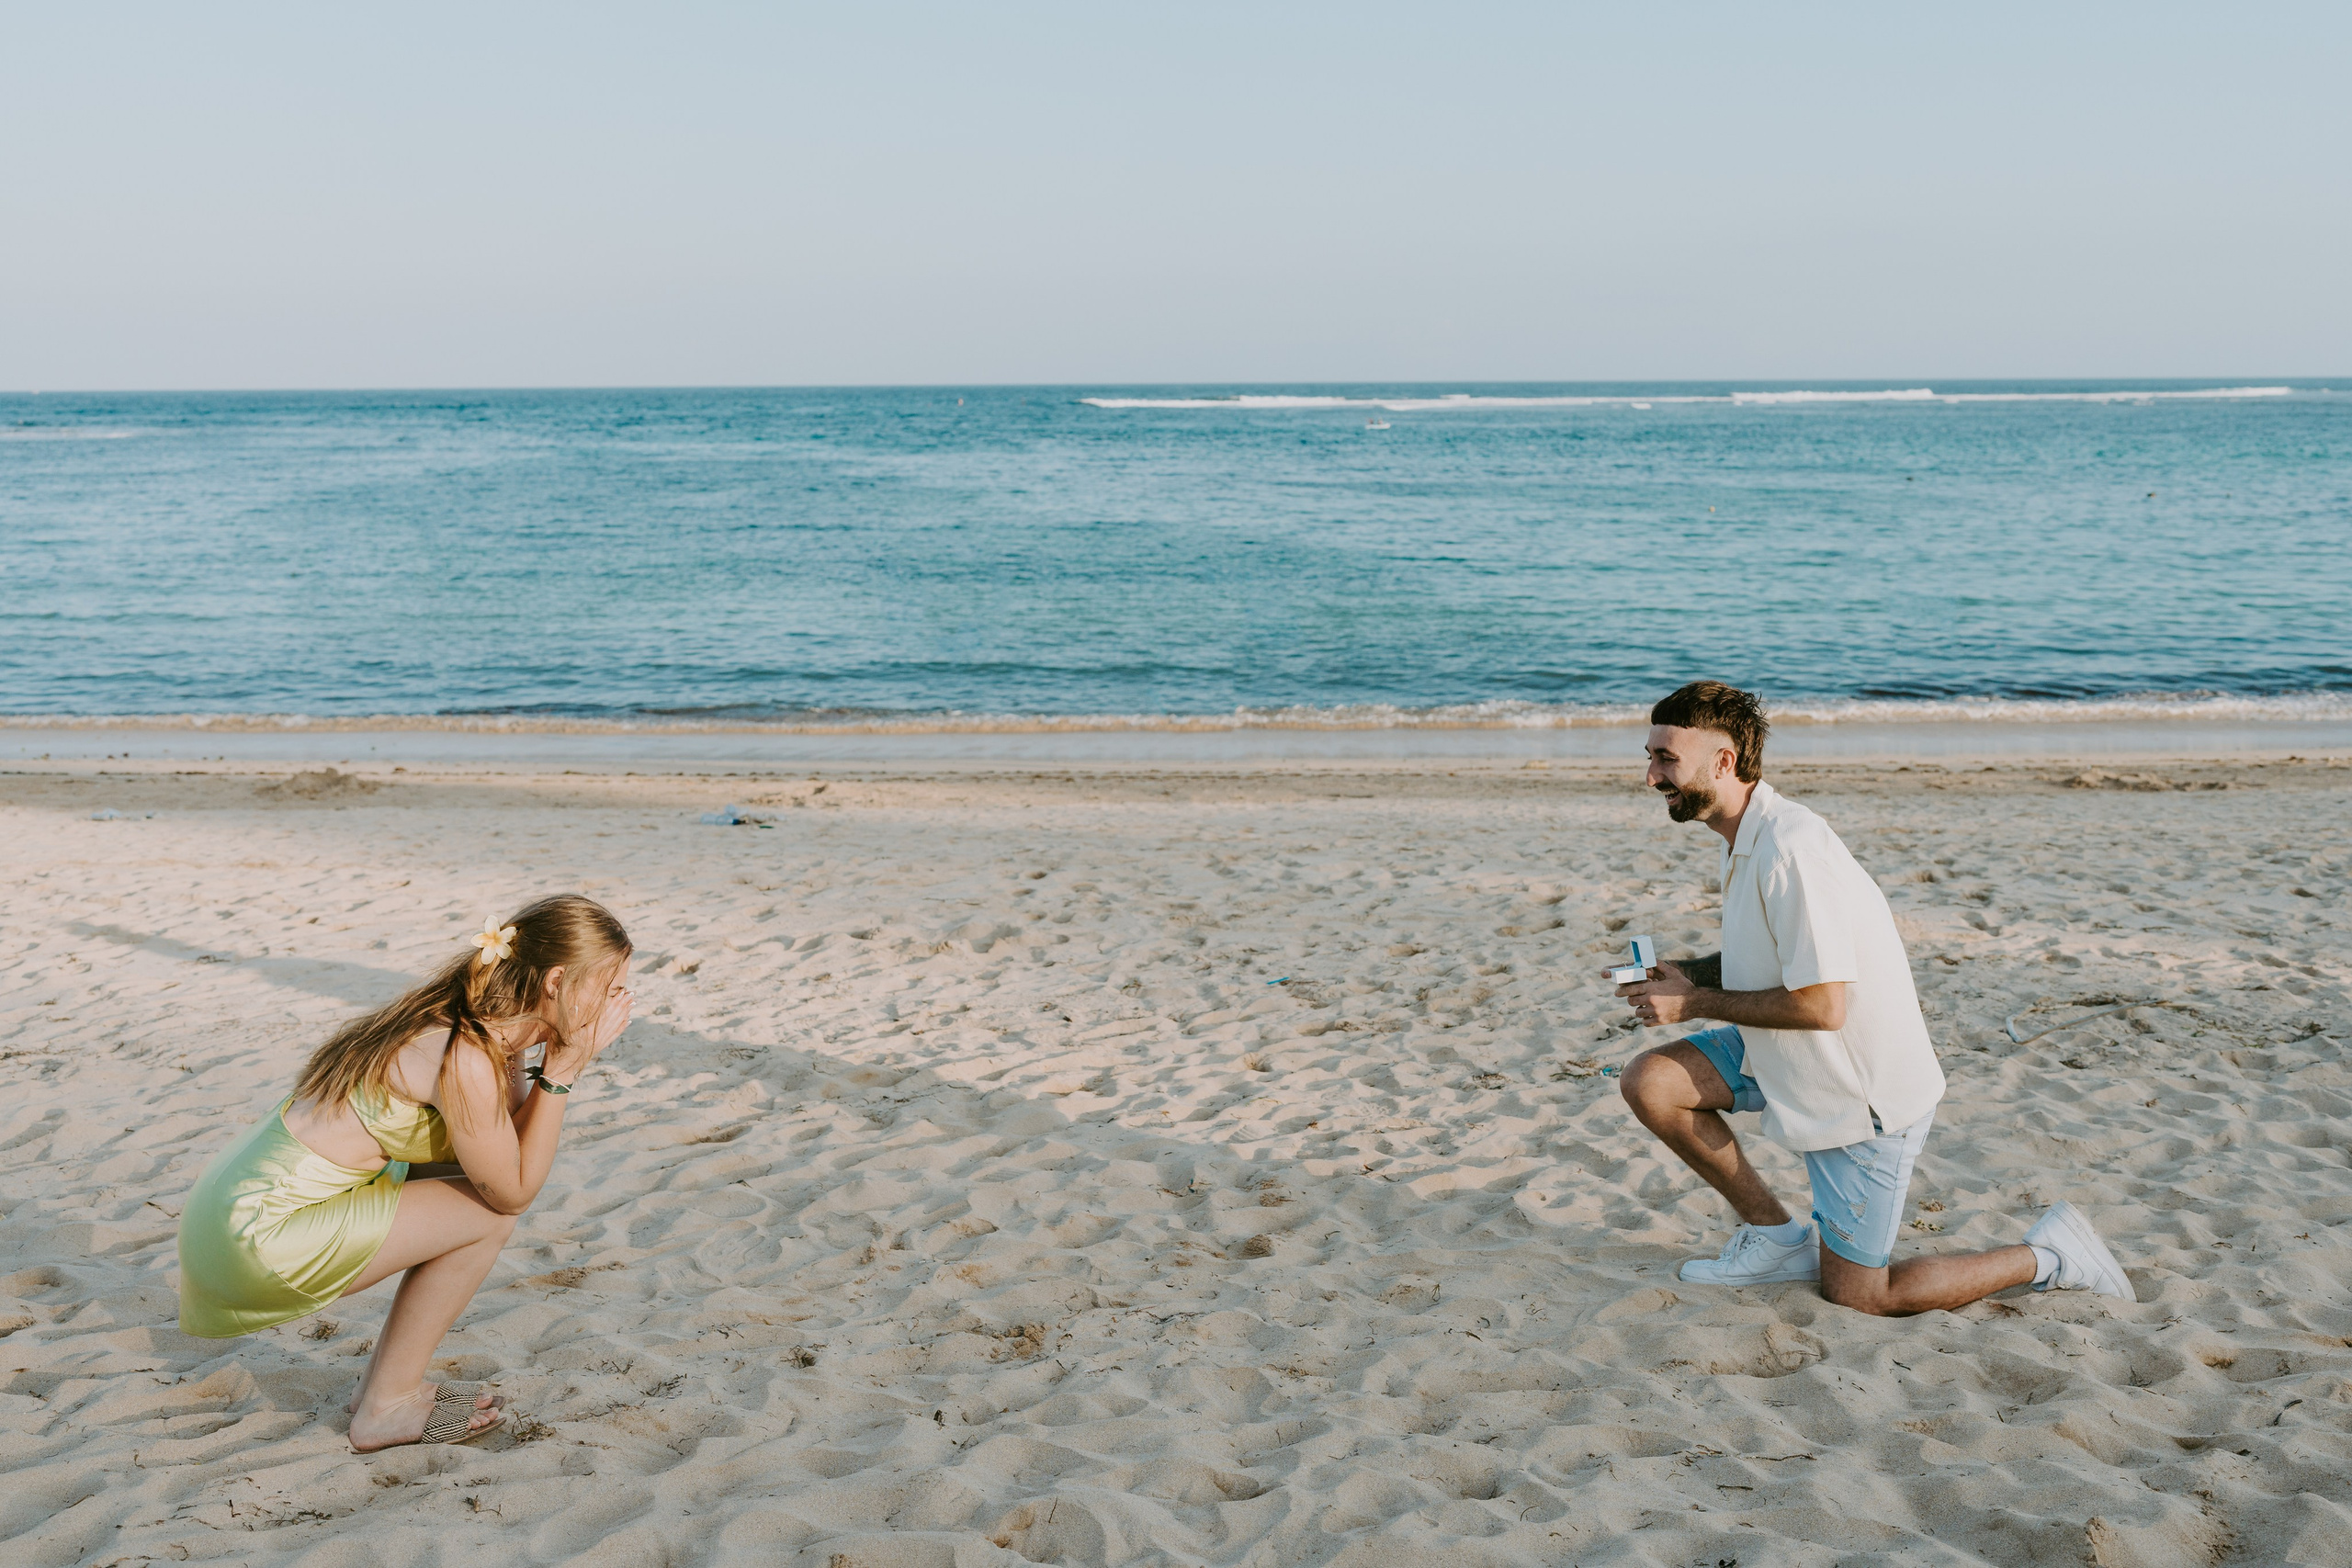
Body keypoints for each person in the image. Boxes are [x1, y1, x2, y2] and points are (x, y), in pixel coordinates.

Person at [1611, 682, 2132, 1314]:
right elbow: (1781, 957)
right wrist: (1688, 976)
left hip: (1862, 1098)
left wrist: (1692, 1006)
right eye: (1651, 756)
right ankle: (1777, 1239)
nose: (1650, 776)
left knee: (1862, 1296)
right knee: (1653, 1081)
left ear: (1723, 761)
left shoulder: (1790, 849)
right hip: (1788, 1055)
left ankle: (2051, 1254)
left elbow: (1824, 1005)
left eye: (1666, 758)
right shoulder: (1750, 834)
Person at [176, 894, 634, 1449]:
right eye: (610, 987)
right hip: (258, 1233)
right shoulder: (462, 1054)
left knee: (470, 1195)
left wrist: (544, 1061)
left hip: (232, 1209)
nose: (620, 1002)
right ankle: (385, 1408)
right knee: (490, 1216)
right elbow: (513, 1191)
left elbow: (503, 1148)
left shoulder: (475, 1024)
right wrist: (560, 1076)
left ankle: (381, 1388)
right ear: (556, 982)